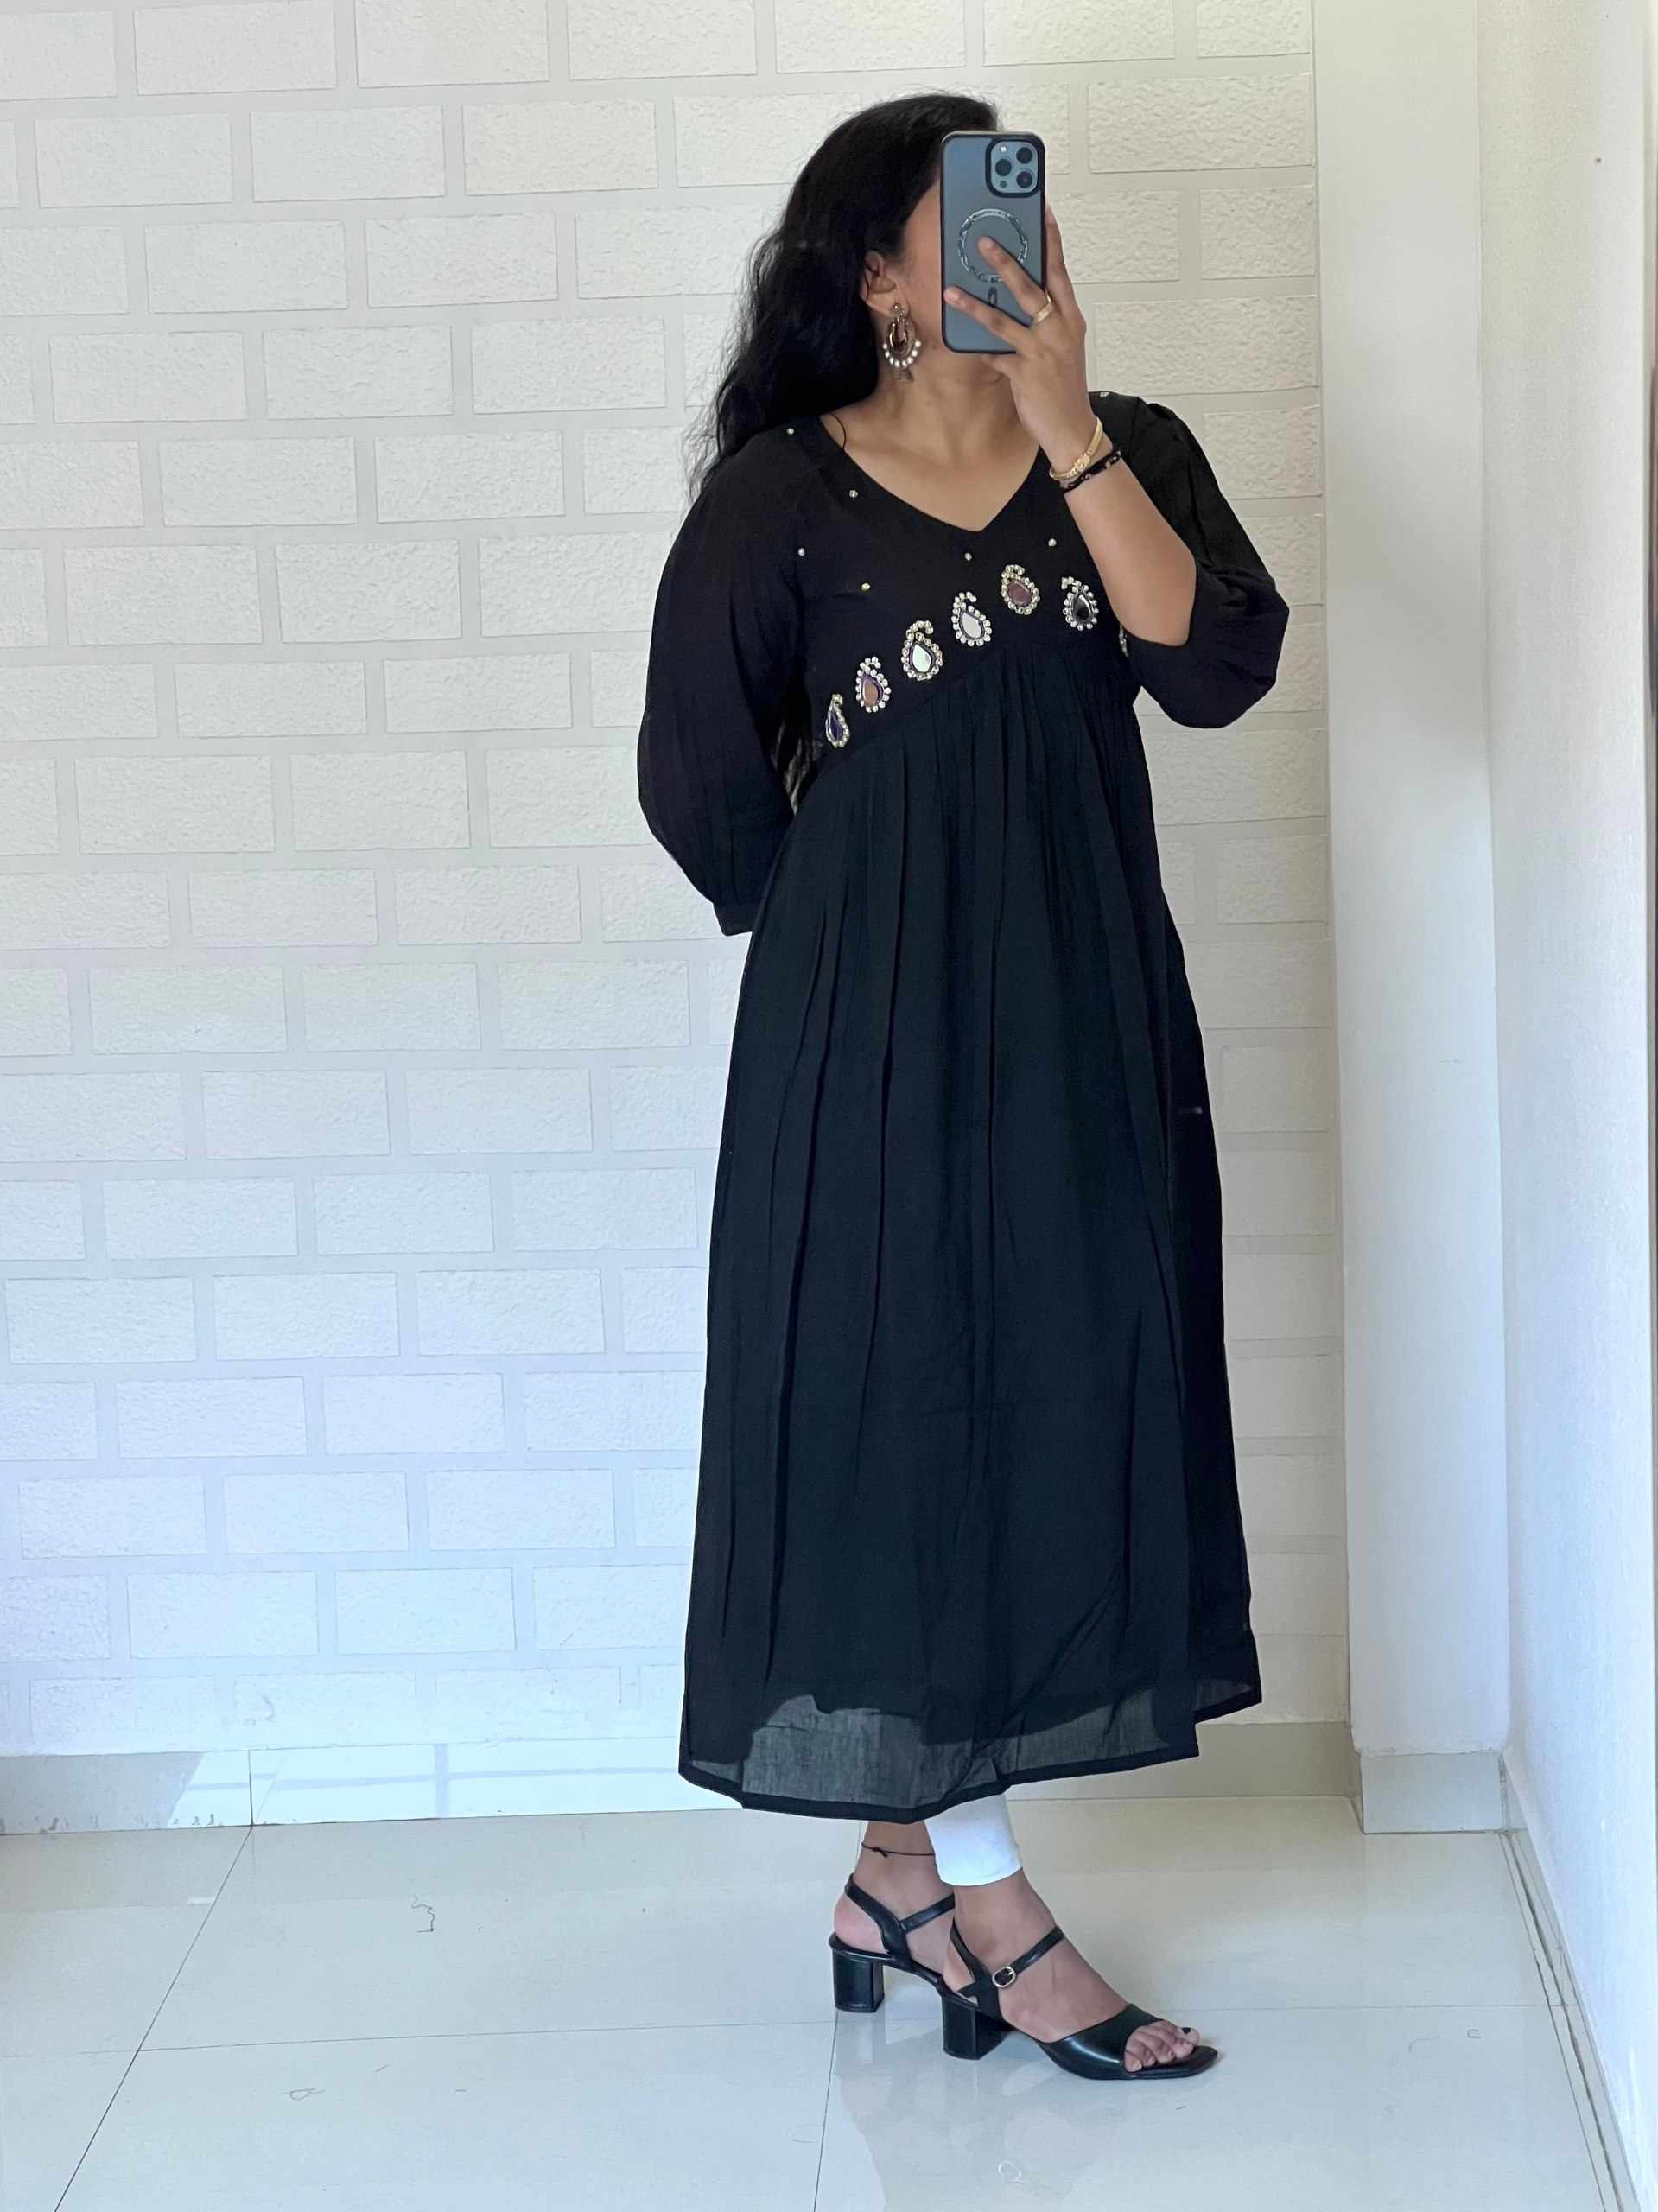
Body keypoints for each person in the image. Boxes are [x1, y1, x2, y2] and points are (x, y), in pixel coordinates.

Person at [635, 92, 1290, 2082]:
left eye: (1031, 208)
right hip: (872, 1040)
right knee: (909, 1417)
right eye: (970, 220)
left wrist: (1067, 416)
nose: (1022, 241)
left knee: (1054, 1394)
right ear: (877, 277)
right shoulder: (782, 496)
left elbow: (1214, 663)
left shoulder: (1127, 444)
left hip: (1082, 1014)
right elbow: (699, 780)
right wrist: (857, 928)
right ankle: (989, 1909)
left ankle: (895, 1882)